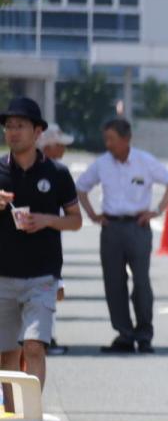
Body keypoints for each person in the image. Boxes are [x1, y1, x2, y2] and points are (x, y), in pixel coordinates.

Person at [0, 97, 82, 421]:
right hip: (3, 277)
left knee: (33, 347)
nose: (12, 131)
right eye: (9, 126)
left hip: (42, 278)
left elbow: (76, 220)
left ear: (37, 132)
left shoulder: (57, 174)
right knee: (5, 355)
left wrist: (47, 220)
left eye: (20, 126)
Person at [76, 117, 168, 353]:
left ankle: (144, 334)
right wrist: (92, 215)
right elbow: (81, 187)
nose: (108, 144)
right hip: (111, 228)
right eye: (106, 139)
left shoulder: (145, 161)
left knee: (141, 282)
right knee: (113, 282)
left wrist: (157, 210)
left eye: (112, 139)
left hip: (137, 227)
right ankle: (124, 333)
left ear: (126, 139)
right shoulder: (102, 164)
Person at [37, 123, 73, 356]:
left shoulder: (57, 172)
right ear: (47, 147)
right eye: (59, 145)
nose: (63, 149)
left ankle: (45, 338)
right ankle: (44, 339)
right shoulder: (43, 172)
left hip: (50, 244)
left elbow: (73, 218)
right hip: (39, 248)